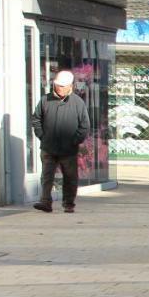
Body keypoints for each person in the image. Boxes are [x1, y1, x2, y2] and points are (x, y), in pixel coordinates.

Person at [30, 70, 90, 214]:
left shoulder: (77, 102)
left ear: (70, 86)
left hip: (68, 149)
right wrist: (42, 136)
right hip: (48, 147)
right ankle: (45, 202)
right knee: (47, 176)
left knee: (70, 177)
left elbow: (84, 125)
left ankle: (68, 203)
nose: (60, 88)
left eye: (63, 86)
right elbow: (36, 119)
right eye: (58, 86)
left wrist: (75, 141)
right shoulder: (45, 100)